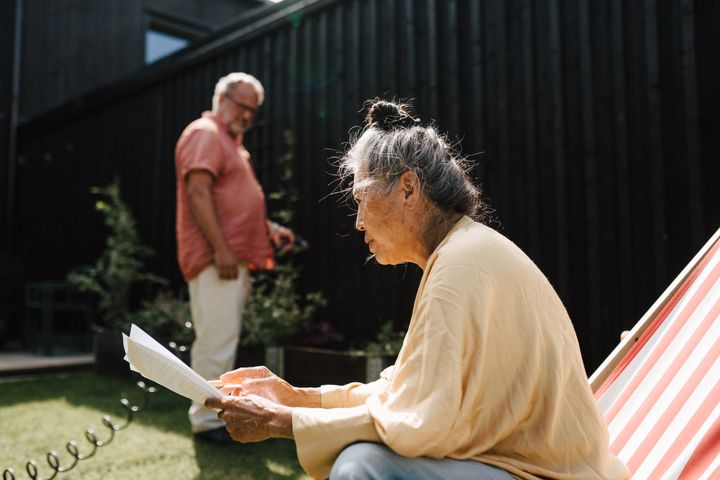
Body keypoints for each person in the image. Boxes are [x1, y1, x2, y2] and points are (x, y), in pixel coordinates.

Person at [205, 99, 629, 479]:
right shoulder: (464, 251)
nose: (357, 222)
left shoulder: (461, 263)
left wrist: (280, 420)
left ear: (409, 188)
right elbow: (406, 393)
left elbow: (419, 422)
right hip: (541, 467)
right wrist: (296, 397)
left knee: (362, 466)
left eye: (360, 199)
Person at [175, 72, 295, 443]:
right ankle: (207, 423)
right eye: (241, 105)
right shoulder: (205, 134)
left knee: (222, 338)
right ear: (221, 98)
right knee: (216, 341)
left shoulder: (233, 144)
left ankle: (212, 419)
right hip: (218, 259)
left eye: (252, 110)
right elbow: (198, 193)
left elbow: (233, 203)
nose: (246, 114)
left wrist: (269, 228)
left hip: (229, 258)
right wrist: (222, 249)